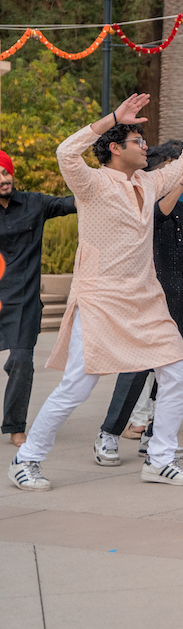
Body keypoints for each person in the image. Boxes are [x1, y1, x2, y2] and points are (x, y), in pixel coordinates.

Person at [8, 89, 183, 492]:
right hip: (101, 298)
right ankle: (27, 458)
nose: (146, 147)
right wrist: (113, 117)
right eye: (138, 141)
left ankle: (159, 459)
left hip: (146, 298)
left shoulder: (148, 182)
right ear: (115, 149)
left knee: (178, 369)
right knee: (77, 385)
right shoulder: (90, 183)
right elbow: (67, 152)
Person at [93, 142, 183, 466]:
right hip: (148, 305)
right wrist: (181, 182)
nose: (180, 175)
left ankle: (154, 438)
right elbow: (158, 215)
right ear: (155, 175)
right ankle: (108, 435)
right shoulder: (139, 208)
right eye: (173, 169)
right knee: (136, 372)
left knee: (173, 375)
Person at [0, 150, 76, 448]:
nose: (3, 179)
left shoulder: (35, 203)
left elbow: (73, 203)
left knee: (21, 360)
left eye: (5, 172)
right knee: (18, 363)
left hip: (23, 300)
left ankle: (15, 426)